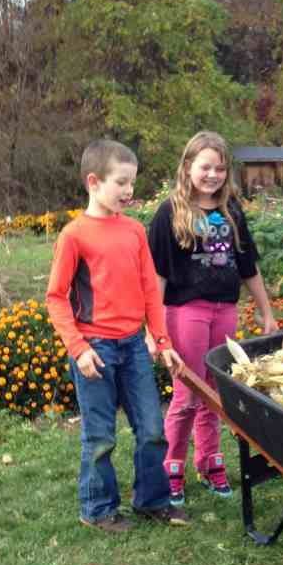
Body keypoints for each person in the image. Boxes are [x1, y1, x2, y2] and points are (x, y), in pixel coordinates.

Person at [47, 139, 188, 532]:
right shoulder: (74, 236)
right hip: (95, 351)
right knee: (100, 436)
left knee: (153, 429)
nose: (129, 191)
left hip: (134, 347)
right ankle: (97, 509)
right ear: (94, 182)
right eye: (121, 182)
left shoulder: (135, 231)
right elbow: (56, 298)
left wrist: (161, 341)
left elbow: (149, 290)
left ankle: (153, 500)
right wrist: (78, 349)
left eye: (132, 183)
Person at [148, 131, 278, 506]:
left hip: (225, 310)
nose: (213, 175)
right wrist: (155, 330)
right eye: (205, 167)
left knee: (216, 390)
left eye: (220, 168)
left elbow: (248, 266)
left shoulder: (232, 211)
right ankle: (172, 465)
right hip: (186, 311)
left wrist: (267, 312)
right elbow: (155, 275)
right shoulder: (169, 213)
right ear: (188, 167)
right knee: (188, 391)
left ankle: (209, 461)